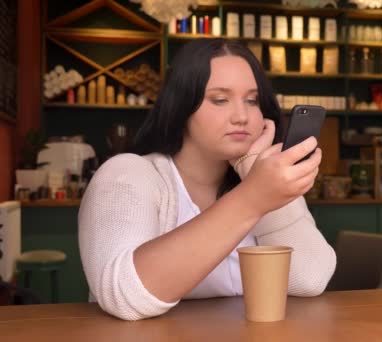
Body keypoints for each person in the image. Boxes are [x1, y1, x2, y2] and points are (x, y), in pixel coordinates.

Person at [78, 38, 336, 321]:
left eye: (252, 100)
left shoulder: (260, 181)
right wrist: (252, 199)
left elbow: (310, 278)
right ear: (182, 107)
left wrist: (253, 175)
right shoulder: (127, 174)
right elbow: (124, 295)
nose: (242, 116)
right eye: (220, 100)